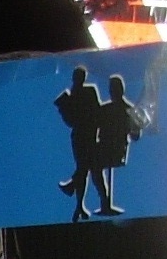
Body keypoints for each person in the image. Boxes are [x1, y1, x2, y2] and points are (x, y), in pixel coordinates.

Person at [91, 74, 145, 217]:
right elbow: (93, 125)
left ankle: (104, 201)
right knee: (90, 163)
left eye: (114, 89)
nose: (112, 92)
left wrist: (135, 126)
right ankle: (104, 201)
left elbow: (135, 136)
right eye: (111, 89)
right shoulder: (107, 109)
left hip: (116, 150)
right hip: (104, 147)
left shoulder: (128, 110)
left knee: (94, 165)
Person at [54, 66, 102, 223]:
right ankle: (77, 201)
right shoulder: (72, 95)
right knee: (83, 168)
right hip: (80, 136)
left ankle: (75, 195)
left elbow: (97, 112)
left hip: (88, 135)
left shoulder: (89, 91)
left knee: (84, 168)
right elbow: (70, 120)